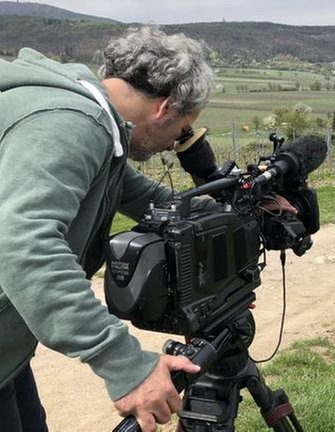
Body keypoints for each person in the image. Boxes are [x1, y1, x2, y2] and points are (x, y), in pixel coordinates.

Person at [0, 26, 220, 432]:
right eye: (182, 128)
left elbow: (149, 198)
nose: (175, 143)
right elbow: (23, 245)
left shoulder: (97, 123)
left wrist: (233, 210)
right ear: (165, 107)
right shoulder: (74, 123)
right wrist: (125, 364)